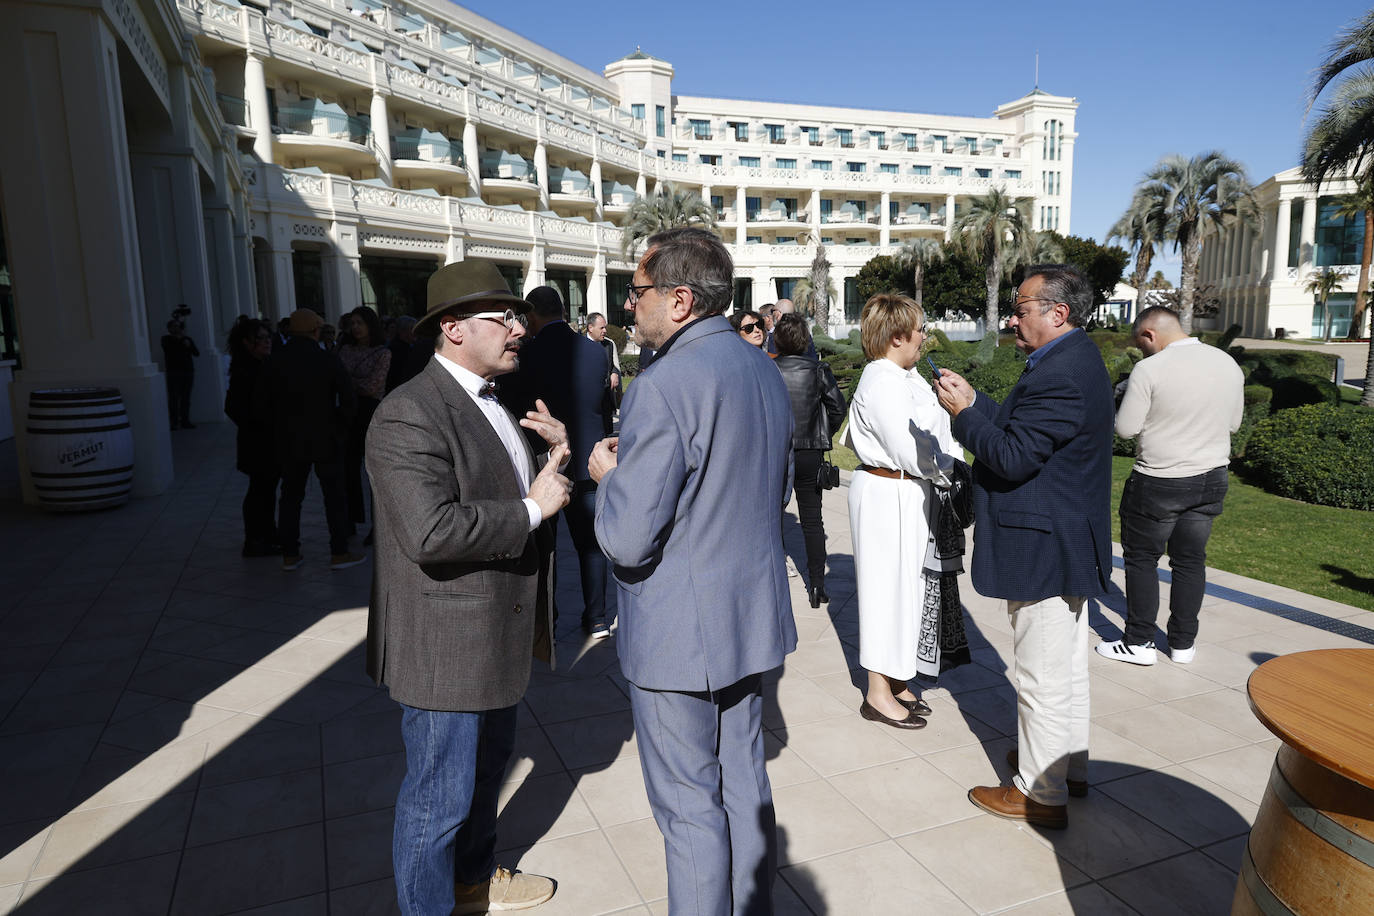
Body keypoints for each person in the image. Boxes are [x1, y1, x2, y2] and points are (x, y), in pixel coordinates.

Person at [590, 227, 796, 914]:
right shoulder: (759, 365)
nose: (629, 306)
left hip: (680, 629)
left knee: (688, 810)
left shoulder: (664, 383)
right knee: (743, 782)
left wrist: (609, 476)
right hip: (748, 614)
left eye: (638, 291)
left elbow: (626, 538)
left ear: (679, 300)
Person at [366, 260, 571, 915]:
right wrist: (535, 508)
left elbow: (504, 491)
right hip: (445, 649)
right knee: (437, 803)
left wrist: (553, 459)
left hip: (496, 635)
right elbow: (430, 532)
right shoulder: (408, 415)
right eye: (502, 317)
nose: (519, 328)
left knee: (483, 781)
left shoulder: (493, 399)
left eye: (518, 316)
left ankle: (473, 882)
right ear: (452, 328)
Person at [933, 264, 1113, 830]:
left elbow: (1010, 457)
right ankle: (1065, 766)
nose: (1013, 317)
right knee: (1062, 669)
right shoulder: (1067, 360)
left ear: (1058, 313)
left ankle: (1040, 792)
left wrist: (963, 417)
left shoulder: (1060, 372)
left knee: (1041, 674)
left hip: (1046, 546)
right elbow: (1022, 433)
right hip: (1061, 539)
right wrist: (978, 401)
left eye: (1023, 307)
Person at [1097, 305, 1244, 666]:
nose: (1142, 350)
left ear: (1149, 334)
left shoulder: (1149, 369)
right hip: (1211, 477)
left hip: (1160, 480)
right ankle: (1182, 644)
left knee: (1142, 559)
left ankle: (1138, 641)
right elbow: (1235, 424)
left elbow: (1126, 428)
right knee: (1190, 561)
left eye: (1141, 343)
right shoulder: (1226, 363)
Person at [845, 294, 966, 729]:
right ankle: (877, 692)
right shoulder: (882, 381)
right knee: (885, 592)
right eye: (919, 330)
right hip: (886, 491)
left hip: (905, 491)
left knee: (906, 590)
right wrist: (954, 468)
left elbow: (937, 426)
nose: (925, 337)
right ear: (897, 336)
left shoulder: (902, 374)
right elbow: (914, 448)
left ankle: (896, 678)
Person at [501, 286, 617, 639]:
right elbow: (603, 405)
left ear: (532, 313)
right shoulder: (597, 352)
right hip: (589, 461)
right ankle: (597, 618)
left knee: (544, 546)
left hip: (545, 466)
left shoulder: (526, 354)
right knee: (591, 546)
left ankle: (546, 621)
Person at [255, 308, 365, 572]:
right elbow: (348, 400)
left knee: (291, 497)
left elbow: (261, 405)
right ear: (316, 331)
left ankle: (290, 554)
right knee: (334, 497)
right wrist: (339, 426)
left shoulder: (274, 360)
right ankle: (339, 552)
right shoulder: (326, 359)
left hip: (289, 440)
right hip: (326, 438)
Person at [773, 313, 845, 608]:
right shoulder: (817, 370)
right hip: (809, 453)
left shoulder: (768, 369)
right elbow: (837, 408)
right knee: (812, 522)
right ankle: (817, 585)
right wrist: (823, 431)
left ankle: (775, 585)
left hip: (777, 452)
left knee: (772, 520)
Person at [224, 317, 279, 557]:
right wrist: (258, 424)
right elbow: (234, 407)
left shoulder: (260, 365)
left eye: (269, 337)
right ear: (247, 343)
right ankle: (256, 540)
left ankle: (266, 535)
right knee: (260, 490)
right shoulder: (245, 370)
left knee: (265, 490)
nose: (267, 342)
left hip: (264, 440)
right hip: (257, 441)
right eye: (262, 339)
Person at [337, 307, 391, 533]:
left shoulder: (382, 353)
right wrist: (352, 384)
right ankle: (350, 520)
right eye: (353, 323)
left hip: (369, 414)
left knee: (373, 473)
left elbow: (373, 387)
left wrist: (348, 383)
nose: (356, 327)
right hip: (347, 415)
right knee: (347, 470)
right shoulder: (344, 350)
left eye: (360, 323)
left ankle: (377, 527)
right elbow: (336, 382)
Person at [161, 316, 200, 429]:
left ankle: (185, 421)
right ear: (169, 328)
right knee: (173, 398)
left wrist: (188, 344)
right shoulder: (166, 339)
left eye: (178, 326)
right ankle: (173, 422)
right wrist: (181, 340)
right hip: (173, 372)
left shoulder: (187, 339)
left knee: (186, 398)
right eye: (174, 326)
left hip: (187, 372)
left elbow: (196, 353)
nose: (177, 328)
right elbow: (170, 350)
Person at [585, 312, 622, 400]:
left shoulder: (609, 344)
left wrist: (614, 373)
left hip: (606, 398)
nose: (605, 330)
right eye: (601, 328)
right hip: (587, 398)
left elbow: (612, 365)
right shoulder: (578, 345)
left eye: (605, 327)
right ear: (590, 328)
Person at [385, 315, 421, 393]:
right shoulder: (399, 351)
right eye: (412, 328)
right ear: (402, 331)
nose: (415, 332)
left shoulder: (409, 348)